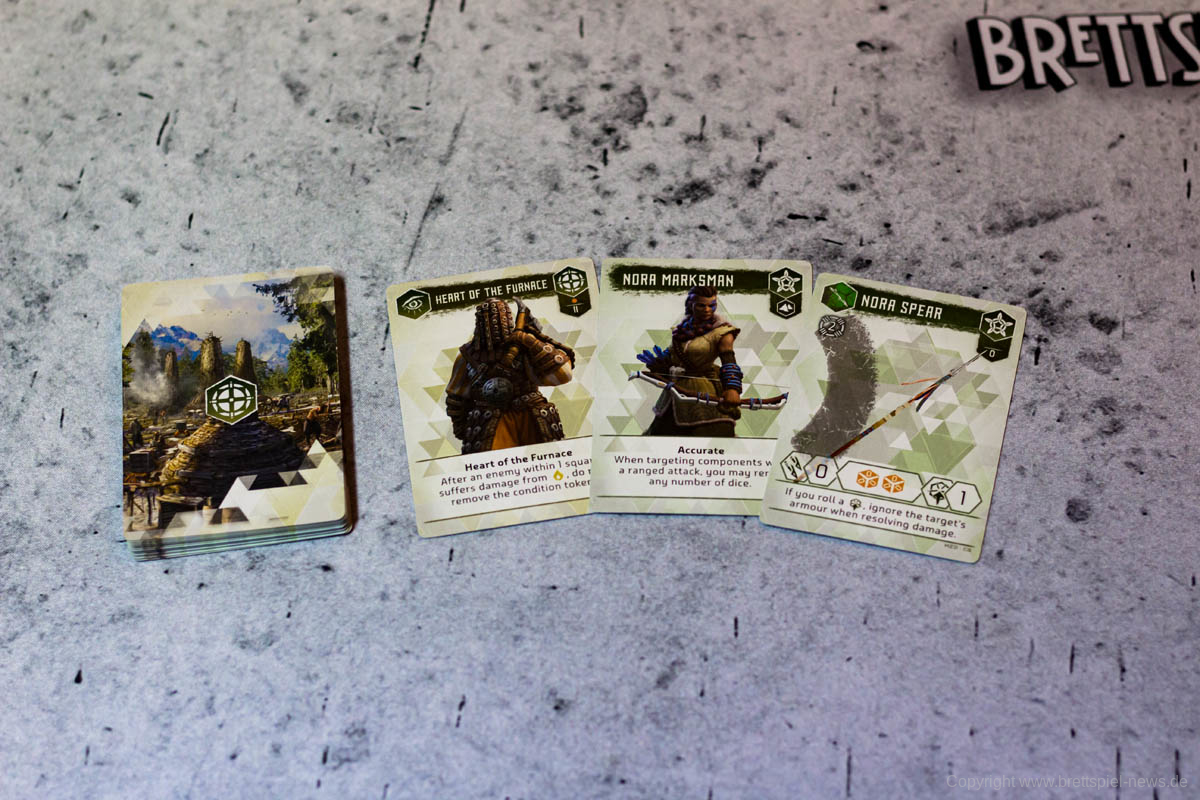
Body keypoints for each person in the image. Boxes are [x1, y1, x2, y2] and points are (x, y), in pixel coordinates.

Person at [444, 298, 574, 453]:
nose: (493, 325)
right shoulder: (467, 354)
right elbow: (456, 397)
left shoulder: (525, 347)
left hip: (530, 414)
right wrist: (461, 427)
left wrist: (529, 341)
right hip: (487, 418)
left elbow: (564, 375)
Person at [638, 284, 742, 437]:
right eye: (701, 305)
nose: (707, 309)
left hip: (702, 390)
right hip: (674, 392)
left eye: (711, 305)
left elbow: (729, 360)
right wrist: (660, 363)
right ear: (690, 304)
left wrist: (732, 389)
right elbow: (673, 354)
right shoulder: (681, 330)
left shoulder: (722, 332)